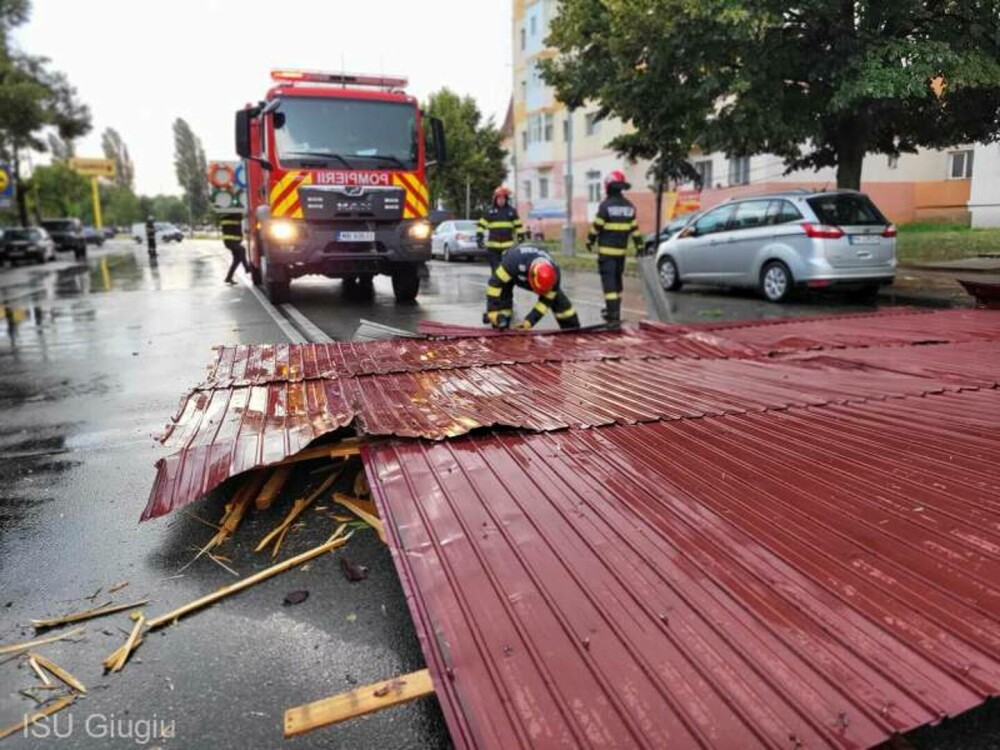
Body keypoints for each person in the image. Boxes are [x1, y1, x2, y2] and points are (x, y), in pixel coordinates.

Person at [586, 170, 643, 323]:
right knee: (617, 283)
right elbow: (635, 231)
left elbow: (596, 227)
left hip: (606, 254)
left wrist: (589, 240)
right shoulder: (630, 207)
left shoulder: (605, 206)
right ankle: (615, 310)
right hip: (621, 254)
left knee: (609, 283)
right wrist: (640, 246)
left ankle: (612, 314)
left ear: (608, 186)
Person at [484, 244, 579, 330]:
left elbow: (545, 302)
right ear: (530, 276)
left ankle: (572, 329)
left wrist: (529, 322)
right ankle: (501, 325)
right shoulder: (512, 263)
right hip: (514, 270)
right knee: (503, 292)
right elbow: (494, 285)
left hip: (534, 268)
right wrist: (492, 310)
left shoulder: (555, 275)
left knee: (560, 302)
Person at [476, 186, 526, 273]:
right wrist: (479, 237)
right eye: (499, 198)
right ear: (495, 199)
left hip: (508, 248)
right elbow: (481, 225)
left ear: (506, 199)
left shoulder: (511, 211)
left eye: (503, 198)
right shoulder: (489, 212)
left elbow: (518, 226)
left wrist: (521, 236)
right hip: (493, 248)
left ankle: (505, 286)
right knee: (495, 271)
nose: (501, 200)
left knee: (507, 271)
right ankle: (496, 286)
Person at [221, 213, 250, 284]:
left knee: (237, 260)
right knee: (242, 250)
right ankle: (247, 268)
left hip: (231, 242)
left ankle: (228, 278)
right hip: (232, 242)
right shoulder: (234, 217)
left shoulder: (230, 217)